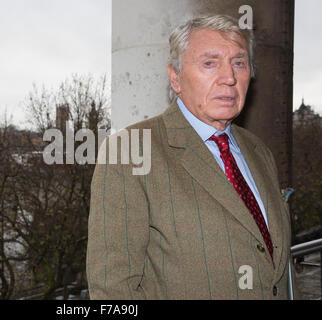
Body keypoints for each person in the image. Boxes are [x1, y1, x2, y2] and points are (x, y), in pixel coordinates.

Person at [86, 14, 299, 299]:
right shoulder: (130, 150)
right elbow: (113, 290)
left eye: (239, 63)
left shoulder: (259, 151)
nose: (229, 77)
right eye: (210, 63)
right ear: (176, 77)